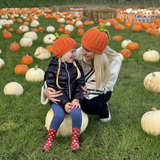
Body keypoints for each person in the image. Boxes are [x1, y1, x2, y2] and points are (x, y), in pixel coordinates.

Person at [41, 25, 121, 122]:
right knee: (71, 101)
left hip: (100, 89)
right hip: (78, 87)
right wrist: (45, 91)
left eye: (87, 50)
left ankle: (103, 109)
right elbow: (56, 70)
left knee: (88, 106)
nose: (83, 52)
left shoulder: (114, 61)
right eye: (83, 47)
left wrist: (81, 91)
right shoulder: (77, 54)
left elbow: (107, 85)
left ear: (97, 52)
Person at [42, 34, 85, 152]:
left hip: (73, 99)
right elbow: (54, 90)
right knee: (59, 115)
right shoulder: (51, 70)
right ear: (61, 52)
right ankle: (50, 139)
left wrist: (76, 99)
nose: (74, 54)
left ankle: (75, 140)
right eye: (71, 51)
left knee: (76, 113)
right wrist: (65, 103)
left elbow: (80, 84)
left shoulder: (76, 67)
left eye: (75, 51)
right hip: (58, 100)